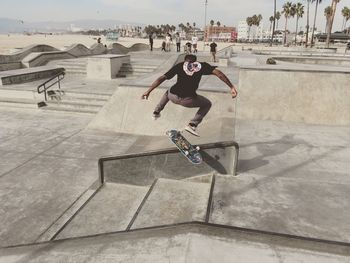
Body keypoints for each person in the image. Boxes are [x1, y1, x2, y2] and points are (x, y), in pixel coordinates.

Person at [141, 54, 237, 137]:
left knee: (168, 91)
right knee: (207, 104)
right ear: (195, 61)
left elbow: (161, 79)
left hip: (172, 96)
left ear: (184, 61)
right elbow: (219, 74)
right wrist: (231, 87)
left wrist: (148, 91)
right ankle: (192, 124)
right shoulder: (201, 66)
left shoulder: (179, 66)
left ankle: (156, 112)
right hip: (189, 100)